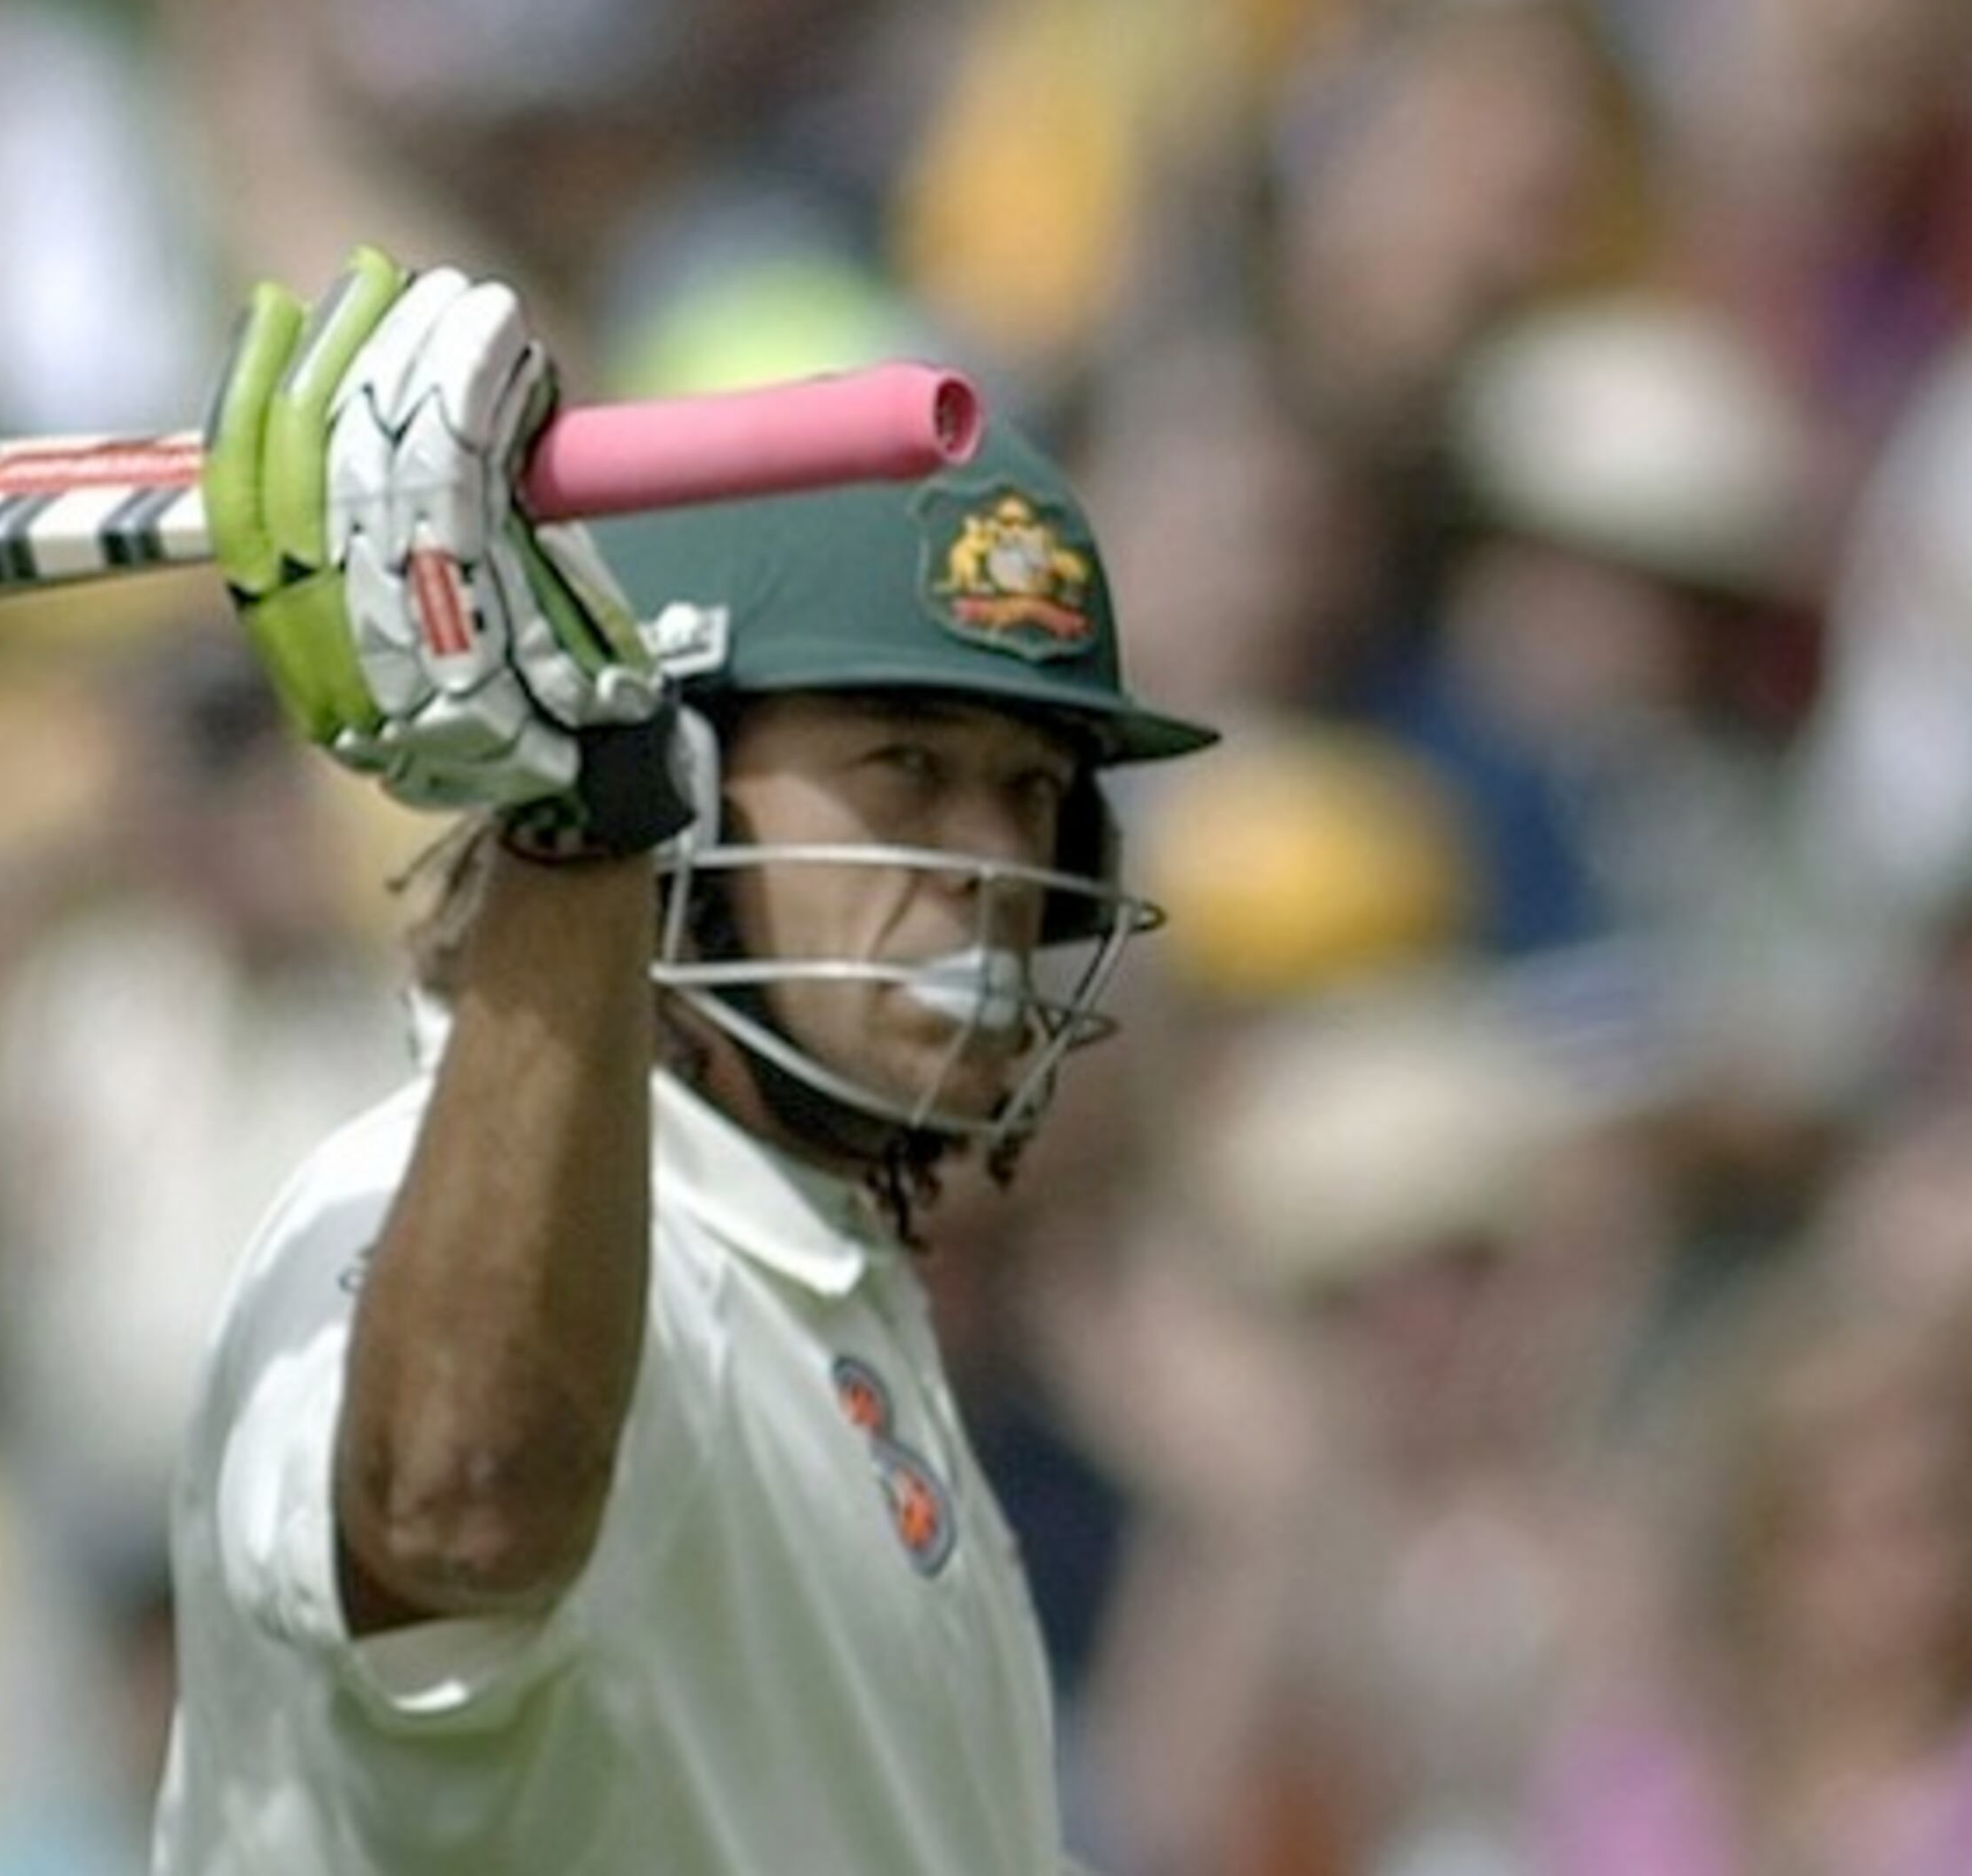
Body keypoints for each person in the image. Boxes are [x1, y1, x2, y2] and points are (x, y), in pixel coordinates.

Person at [149, 248, 1215, 1873]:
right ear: (684, 782)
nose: (997, 861)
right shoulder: (412, 1205)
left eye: (1030, 790)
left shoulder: (835, 1293)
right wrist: (583, 835)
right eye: (907, 764)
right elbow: (458, 1510)